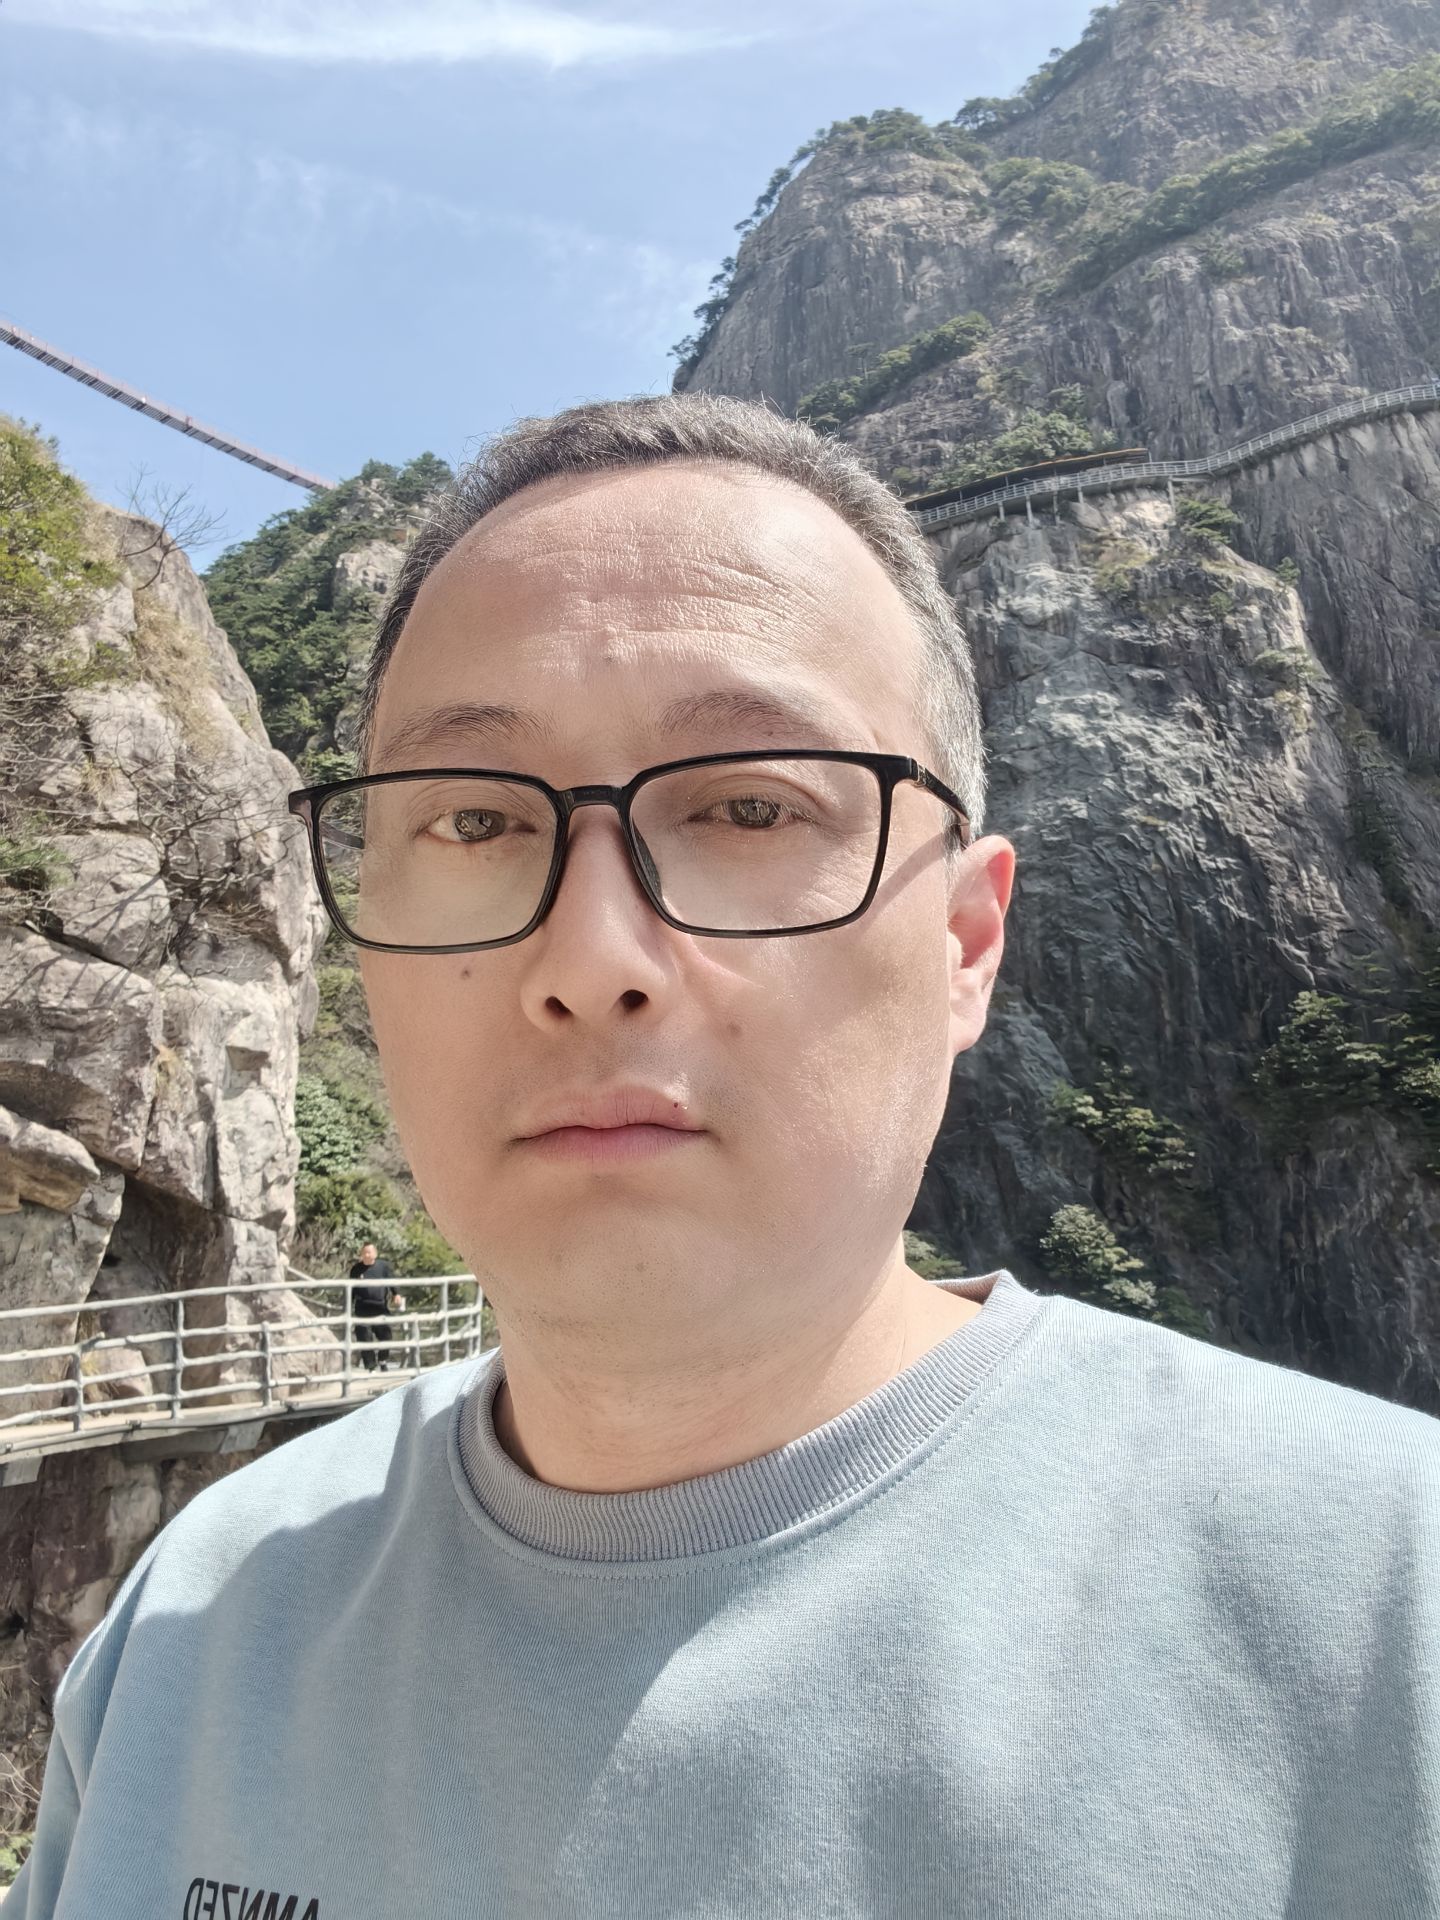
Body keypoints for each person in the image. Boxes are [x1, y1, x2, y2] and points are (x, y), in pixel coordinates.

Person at [12, 394, 1437, 1919]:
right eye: (477, 822)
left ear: (965, 943)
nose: (592, 959)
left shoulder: (1384, 1624)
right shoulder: (192, 1630)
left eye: (750, 804)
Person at [347, 1241, 395, 1372]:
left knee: (386, 1336)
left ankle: (383, 1360)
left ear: (375, 1253)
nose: (367, 1255)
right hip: (362, 1307)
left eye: (369, 1252)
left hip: (380, 1306)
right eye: (364, 1253)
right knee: (364, 1337)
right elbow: (351, 1290)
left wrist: (396, 1294)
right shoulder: (356, 1269)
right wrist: (348, 1306)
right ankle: (370, 1366)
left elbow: (392, 1281)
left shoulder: (383, 1267)